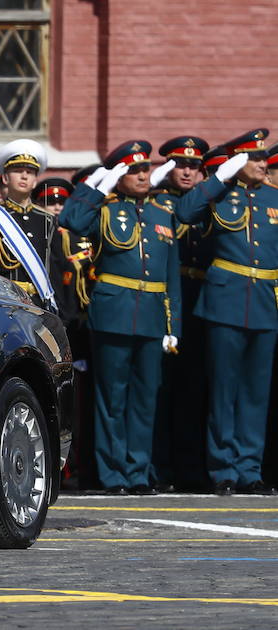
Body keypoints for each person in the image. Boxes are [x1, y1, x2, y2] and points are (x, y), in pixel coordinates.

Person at [61, 140, 180, 495]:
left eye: (145, 170)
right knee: (112, 399)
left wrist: (173, 327)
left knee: (145, 398)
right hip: (113, 313)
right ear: (120, 176)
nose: (143, 175)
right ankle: (113, 474)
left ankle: (138, 472)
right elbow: (71, 220)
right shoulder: (105, 210)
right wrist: (98, 186)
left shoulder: (162, 213)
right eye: (134, 171)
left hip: (153, 316)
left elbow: (170, 275)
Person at [174, 130, 278, 495]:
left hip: (266, 302)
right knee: (224, 391)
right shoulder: (219, 194)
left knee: (256, 393)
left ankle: (250, 469)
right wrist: (219, 177)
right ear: (239, 162)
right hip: (225, 302)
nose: (264, 165)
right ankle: (224, 470)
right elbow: (184, 212)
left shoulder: (273, 198)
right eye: (256, 159)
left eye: (265, 159)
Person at [149, 136, 211, 491]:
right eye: (180, 165)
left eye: (193, 166)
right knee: (162, 388)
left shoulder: (209, 204)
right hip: (167, 300)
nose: (187, 171)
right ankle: (160, 467)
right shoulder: (157, 203)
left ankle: (190, 468)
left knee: (195, 387)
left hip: (201, 298)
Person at [0, 140, 57, 309]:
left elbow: (55, 267)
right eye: (17, 171)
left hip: (42, 303)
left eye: (29, 172)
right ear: (5, 178)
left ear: (35, 180)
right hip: (7, 302)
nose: (24, 176)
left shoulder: (47, 220)